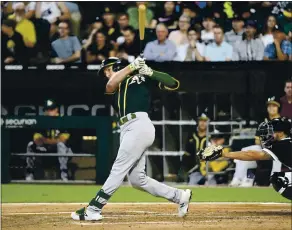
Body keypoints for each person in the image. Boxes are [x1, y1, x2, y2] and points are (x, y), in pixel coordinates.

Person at [71, 56, 192, 221]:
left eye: (108, 69)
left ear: (117, 66)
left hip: (139, 125)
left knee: (118, 168)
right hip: (127, 128)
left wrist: (150, 71)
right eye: (105, 71)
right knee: (137, 179)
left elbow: (173, 83)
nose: (106, 74)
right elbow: (110, 84)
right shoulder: (114, 87)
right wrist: (132, 66)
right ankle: (179, 196)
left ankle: (93, 208)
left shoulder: (142, 78)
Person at [198, 117, 292, 200]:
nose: (270, 134)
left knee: (280, 179)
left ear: (281, 133)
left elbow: (251, 155)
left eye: (273, 131)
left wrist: (223, 154)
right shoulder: (285, 143)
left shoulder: (282, 144)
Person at [230, 96, 282, 187]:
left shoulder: (284, 121)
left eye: (274, 106)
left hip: (279, 149)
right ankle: (238, 178)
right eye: (269, 106)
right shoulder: (263, 122)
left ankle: (275, 181)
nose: (271, 108)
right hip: (264, 148)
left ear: (278, 108)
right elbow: (257, 140)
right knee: (245, 150)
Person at [25, 99, 72, 181]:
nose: (48, 112)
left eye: (51, 109)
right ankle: (30, 173)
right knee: (30, 144)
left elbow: (63, 139)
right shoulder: (41, 121)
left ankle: (64, 175)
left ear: (56, 110)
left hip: (62, 150)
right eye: (47, 110)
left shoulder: (63, 120)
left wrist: (46, 140)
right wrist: (52, 141)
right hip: (45, 148)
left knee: (61, 145)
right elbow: (37, 139)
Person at [182, 113, 208, 185]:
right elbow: (187, 155)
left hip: (210, 171)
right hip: (196, 171)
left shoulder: (212, 137)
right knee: (192, 184)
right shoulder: (192, 136)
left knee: (212, 186)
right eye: (201, 121)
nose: (203, 123)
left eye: (205, 121)